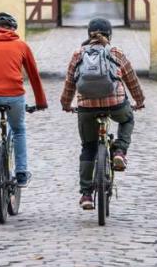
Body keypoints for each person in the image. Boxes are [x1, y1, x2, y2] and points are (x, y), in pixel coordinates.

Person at [59, 16, 145, 210]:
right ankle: (120, 151)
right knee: (127, 119)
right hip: (115, 104)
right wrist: (139, 101)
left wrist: (66, 104)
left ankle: (87, 194)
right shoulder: (115, 52)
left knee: (88, 147)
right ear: (110, 34)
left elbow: (70, 83)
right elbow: (131, 79)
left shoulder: (78, 53)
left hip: (87, 108)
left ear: (88, 34)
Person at [0, 12, 47, 196]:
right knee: (18, 130)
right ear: (13, 29)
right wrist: (40, 102)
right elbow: (34, 75)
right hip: (14, 96)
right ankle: (21, 173)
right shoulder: (21, 45)